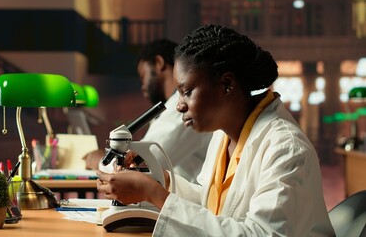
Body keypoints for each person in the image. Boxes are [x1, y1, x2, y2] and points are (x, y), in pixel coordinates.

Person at [96, 25, 335, 236]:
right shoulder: (223, 135)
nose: (179, 105)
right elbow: (211, 204)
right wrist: (162, 180)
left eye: (187, 91)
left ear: (227, 84)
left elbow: (261, 234)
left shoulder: (286, 148)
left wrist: (154, 194)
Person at [83, 39, 213, 183]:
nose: (142, 86)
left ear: (159, 63)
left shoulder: (182, 108)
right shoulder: (172, 107)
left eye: (143, 76)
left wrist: (100, 160)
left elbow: (142, 163)